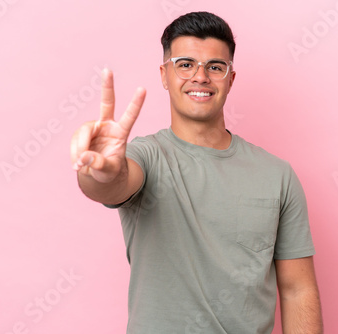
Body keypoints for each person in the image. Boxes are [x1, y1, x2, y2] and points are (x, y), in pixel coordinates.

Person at [70, 11, 323, 334]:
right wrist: (101, 171)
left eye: (215, 67)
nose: (200, 77)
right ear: (164, 75)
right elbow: (113, 183)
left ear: (230, 79)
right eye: (185, 64)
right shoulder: (146, 157)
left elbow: (297, 290)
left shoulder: (278, 175)